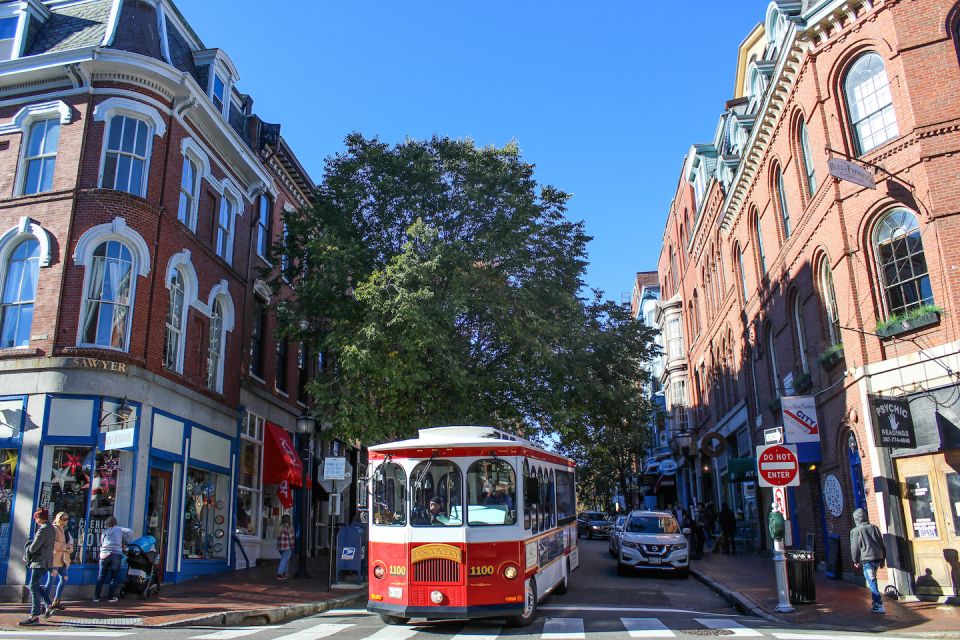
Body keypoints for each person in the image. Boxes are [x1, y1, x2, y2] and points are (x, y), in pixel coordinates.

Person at [20, 508, 55, 626]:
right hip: (46, 562)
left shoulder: (43, 530)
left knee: (32, 586)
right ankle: (49, 604)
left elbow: (34, 547)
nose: (35, 520)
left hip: (40, 562)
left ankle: (34, 616)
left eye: (36, 518)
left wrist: (27, 552)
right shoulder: (51, 528)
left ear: (39, 518)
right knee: (35, 585)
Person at [850, 507, 887, 614]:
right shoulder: (874, 527)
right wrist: (883, 558)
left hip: (867, 559)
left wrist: (855, 560)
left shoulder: (856, 531)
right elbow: (881, 543)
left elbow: (855, 547)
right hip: (878, 557)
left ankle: (878, 604)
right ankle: (877, 603)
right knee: (873, 579)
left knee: (871, 582)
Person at [94, 516, 131, 603]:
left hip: (104, 554)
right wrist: (125, 541)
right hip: (115, 553)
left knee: (101, 576)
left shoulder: (105, 531)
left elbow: (101, 542)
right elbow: (129, 531)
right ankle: (111, 597)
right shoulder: (119, 529)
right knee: (114, 576)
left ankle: (96, 596)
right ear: (115, 523)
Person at [44, 512, 73, 613]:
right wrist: (64, 547)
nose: (66, 521)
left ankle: (57, 601)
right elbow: (51, 543)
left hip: (63, 559)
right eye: (64, 519)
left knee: (64, 578)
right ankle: (46, 602)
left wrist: (69, 548)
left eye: (67, 519)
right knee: (51, 580)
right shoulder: (54, 529)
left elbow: (70, 543)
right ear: (58, 519)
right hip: (55, 559)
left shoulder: (66, 530)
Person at [276, 514, 295, 580]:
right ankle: (279, 574)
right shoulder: (289, 527)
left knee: (286, 559)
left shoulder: (280, 527)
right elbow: (291, 537)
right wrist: (292, 546)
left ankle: (285, 572)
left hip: (280, 547)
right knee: (284, 560)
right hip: (287, 546)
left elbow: (277, 537)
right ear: (289, 520)